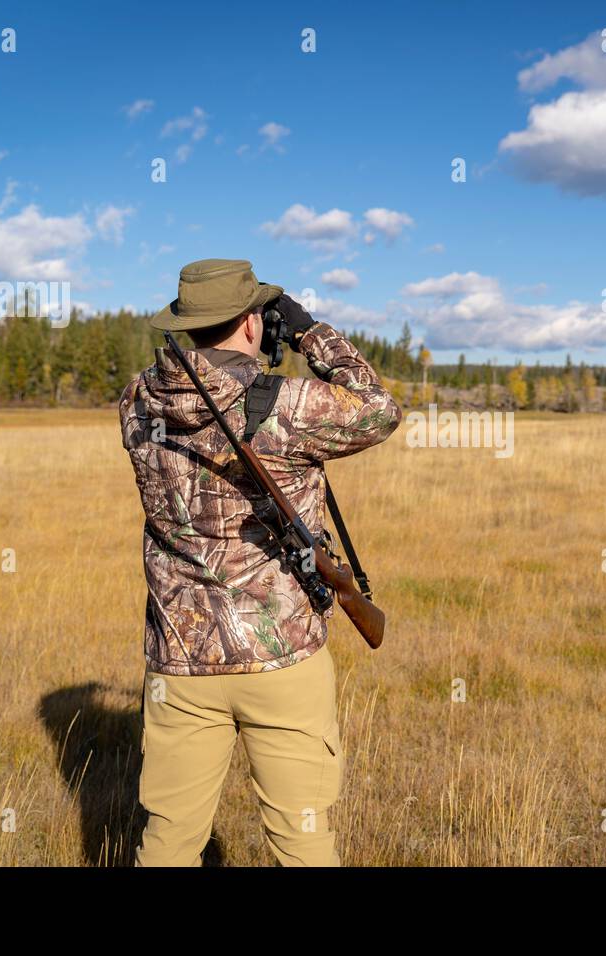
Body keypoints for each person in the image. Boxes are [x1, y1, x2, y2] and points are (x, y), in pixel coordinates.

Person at [118, 258, 401, 866]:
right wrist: (305, 332)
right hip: (282, 660)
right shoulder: (288, 405)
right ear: (252, 321)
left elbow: (193, 397)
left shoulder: (137, 402)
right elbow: (380, 408)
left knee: (166, 845)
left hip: (181, 658)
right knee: (302, 844)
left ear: (187, 324)